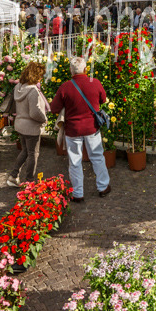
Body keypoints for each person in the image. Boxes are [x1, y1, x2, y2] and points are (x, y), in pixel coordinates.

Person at [49, 56, 111, 202]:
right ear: (85, 69)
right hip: (92, 127)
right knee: (97, 157)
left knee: (75, 161)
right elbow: (102, 99)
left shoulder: (65, 86)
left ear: (71, 70)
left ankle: (78, 193)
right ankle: (103, 187)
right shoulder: (94, 82)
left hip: (73, 129)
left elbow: (54, 108)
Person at [7, 61, 51, 187]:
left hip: (20, 124)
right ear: (36, 75)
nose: (41, 78)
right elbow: (35, 112)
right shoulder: (32, 91)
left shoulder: (19, 87)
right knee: (33, 154)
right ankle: (29, 182)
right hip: (31, 127)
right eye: (40, 75)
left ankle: (13, 176)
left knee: (25, 151)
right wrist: (44, 119)